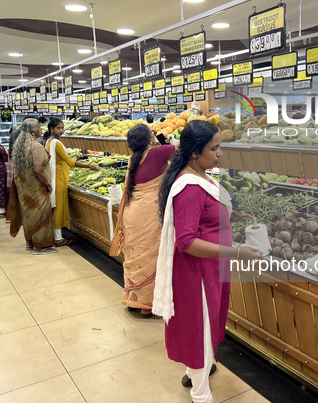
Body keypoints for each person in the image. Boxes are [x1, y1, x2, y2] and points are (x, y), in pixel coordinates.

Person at [153, 120, 262, 403]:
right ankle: (201, 394)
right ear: (194, 153)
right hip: (196, 274)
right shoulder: (189, 187)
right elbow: (186, 242)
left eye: (219, 147)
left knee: (202, 325)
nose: (219, 154)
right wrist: (236, 251)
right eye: (214, 148)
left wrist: (229, 214)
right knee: (199, 330)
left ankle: (195, 370)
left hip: (209, 269)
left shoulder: (199, 175)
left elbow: (205, 213)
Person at [110, 124, 177, 317]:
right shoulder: (159, 153)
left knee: (135, 255)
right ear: (149, 139)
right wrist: (168, 139)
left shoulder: (133, 158)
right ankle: (147, 305)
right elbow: (182, 146)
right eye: (152, 135)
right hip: (150, 214)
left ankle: (134, 299)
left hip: (133, 213)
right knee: (152, 257)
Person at [45, 117, 99, 246]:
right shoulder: (56, 143)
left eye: (62, 128)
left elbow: (60, 159)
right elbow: (69, 163)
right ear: (51, 129)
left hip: (54, 176)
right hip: (59, 178)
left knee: (55, 206)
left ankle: (56, 234)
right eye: (58, 128)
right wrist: (89, 166)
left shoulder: (49, 141)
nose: (61, 130)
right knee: (59, 207)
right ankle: (58, 239)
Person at [7, 119, 56, 254]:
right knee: (40, 213)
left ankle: (30, 242)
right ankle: (40, 246)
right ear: (33, 131)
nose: (41, 129)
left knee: (28, 214)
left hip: (24, 187)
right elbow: (38, 169)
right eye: (39, 127)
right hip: (37, 187)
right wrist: (47, 183)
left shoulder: (20, 145)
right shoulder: (36, 146)